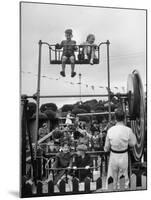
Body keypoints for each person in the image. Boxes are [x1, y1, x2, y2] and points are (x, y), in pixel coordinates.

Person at [104, 109, 136, 190]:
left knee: (111, 177)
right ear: (124, 118)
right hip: (123, 155)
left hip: (113, 156)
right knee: (123, 178)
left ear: (115, 118)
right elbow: (133, 143)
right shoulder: (128, 130)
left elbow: (106, 148)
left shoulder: (110, 130)